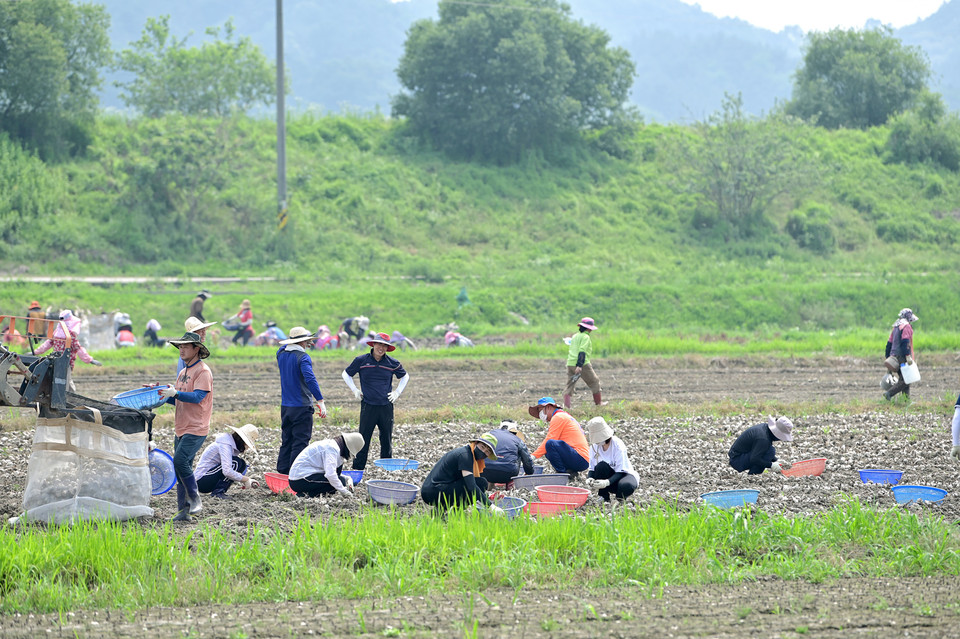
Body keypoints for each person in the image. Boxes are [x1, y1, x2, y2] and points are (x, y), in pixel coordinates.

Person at [159, 331, 213, 522]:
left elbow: (198, 397)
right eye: (180, 346)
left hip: (196, 426)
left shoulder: (203, 372)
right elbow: (178, 401)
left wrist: (175, 394)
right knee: (182, 468)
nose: (181, 350)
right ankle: (183, 511)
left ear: (196, 349)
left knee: (179, 461)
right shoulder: (183, 373)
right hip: (181, 426)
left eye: (185, 346)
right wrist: (163, 394)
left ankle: (195, 497)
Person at [342, 332, 410, 470]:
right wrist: (355, 390)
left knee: (386, 439)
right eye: (379, 344)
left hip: (386, 406)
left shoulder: (392, 363)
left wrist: (397, 392)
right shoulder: (361, 361)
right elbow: (346, 374)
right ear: (373, 344)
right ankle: (358, 469)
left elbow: (405, 376)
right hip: (368, 405)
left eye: (385, 345)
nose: (381, 348)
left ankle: (387, 469)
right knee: (363, 439)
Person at [276, 327, 328, 474]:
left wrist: (300, 341)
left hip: (285, 406)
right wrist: (320, 400)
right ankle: (295, 474)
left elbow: (286, 346)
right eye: (308, 341)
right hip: (301, 406)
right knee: (300, 441)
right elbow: (310, 379)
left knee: (286, 440)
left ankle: (282, 472)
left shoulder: (280, 354)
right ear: (303, 341)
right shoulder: (303, 357)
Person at [420, 432, 505, 515]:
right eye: (482, 447)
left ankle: (442, 511)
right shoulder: (465, 456)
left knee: (480, 483)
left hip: (436, 489)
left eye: (487, 451)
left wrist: (487, 497)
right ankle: (454, 511)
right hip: (433, 492)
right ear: (476, 443)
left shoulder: (468, 454)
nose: (483, 451)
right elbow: (471, 486)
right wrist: (491, 506)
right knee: (480, 483)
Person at [34, 310, 102, 392]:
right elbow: (78, 348)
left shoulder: (56, 332)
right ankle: (67, 399)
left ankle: (69, 397)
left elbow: (48, 343)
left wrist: (36, 352)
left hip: (55, 359)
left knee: (61, 380)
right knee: (65, 381)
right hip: (66, 361)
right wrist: (90, 360)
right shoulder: (70, 335)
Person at [527, 397, 589, 480]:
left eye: (540, 410)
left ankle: (562, 475)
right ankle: (570, 472)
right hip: (581, 458)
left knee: (550, 444)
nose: (540, 414)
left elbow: (550, 439)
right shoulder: (563, 416)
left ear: (548, 407)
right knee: (548, 450)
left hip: (580, 457)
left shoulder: (558, 417)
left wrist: (533, 456)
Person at [288, 432, 365, 498]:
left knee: (339, 481)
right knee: (338, 483)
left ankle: (307, 494)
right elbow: (330, 475)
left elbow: (332, 472)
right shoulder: (331, 449)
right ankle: (305, 495)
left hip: (301, 477)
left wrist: (347, 478)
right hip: (299, 480)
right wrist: (344, 491)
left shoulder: (333, 446)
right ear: (348, 448)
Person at [195, 424, 260, 499]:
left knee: (241, 464)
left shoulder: (229, 444)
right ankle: (218, 492)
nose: (247, 448)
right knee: (236, 463)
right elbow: (227, 471)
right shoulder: (225, 445)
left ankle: (220, 491)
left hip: (208, 478)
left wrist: (244, 479)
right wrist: (246, 479)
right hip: (201, 480)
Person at [584, 417, 638, 503]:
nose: (598, 442)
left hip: (623, 476)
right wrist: (590, 478)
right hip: (608, 479)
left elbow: (621, 471)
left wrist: (607, 482)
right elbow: (593, 468)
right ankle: (604, 497)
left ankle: (620, 498)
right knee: (601, 466)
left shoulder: (617, 445)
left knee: (626, 485)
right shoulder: (594, 447)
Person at [728, 416, 794, 475]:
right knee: (770, 451)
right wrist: (771, 465)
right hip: (737, 460)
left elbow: (758, 450)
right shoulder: (763, 439)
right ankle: (753, 475)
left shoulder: (764, 428)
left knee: (769, 450)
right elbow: (754, 459)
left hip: (737, 456)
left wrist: (776, 460)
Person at [563, 317, 604, 409]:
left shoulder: (575, 336)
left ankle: (566, 407)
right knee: (594, 382)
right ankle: (599, 404)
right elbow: (582, 351)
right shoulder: (586, 337)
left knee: (570, 384)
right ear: (589, 328)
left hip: (570, 363)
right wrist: (579, 365)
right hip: (582, 364)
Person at [480, 420, 535, 485]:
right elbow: (527, 460)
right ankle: (509, 484)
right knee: (518, 453)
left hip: (484, 472)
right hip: (508, 474)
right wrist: (529, 472)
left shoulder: (488, 434)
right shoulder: (517, 439)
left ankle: (489, 484)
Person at [884, 308, 918, 401]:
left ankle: (906, 401)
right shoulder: (906, 327)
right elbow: (905, 342)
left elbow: (889, 344)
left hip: (894, 356)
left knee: (905, 378)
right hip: (902, 357)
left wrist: (888, 356)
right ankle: (889, 393)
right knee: (906, 380)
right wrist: (907, 356)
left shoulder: (896, 326)